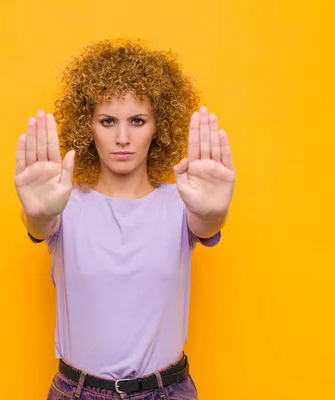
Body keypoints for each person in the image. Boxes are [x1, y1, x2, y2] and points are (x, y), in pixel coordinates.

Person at [13, 38, 235, 399]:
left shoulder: (182, 203)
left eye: (136, 120)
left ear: (157, 127)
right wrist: (36, 213)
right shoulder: (61, 204)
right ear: (88, 128)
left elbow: (206, 223)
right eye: (107, 121)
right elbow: (39, 223)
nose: (122, 137)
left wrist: (214, 211)